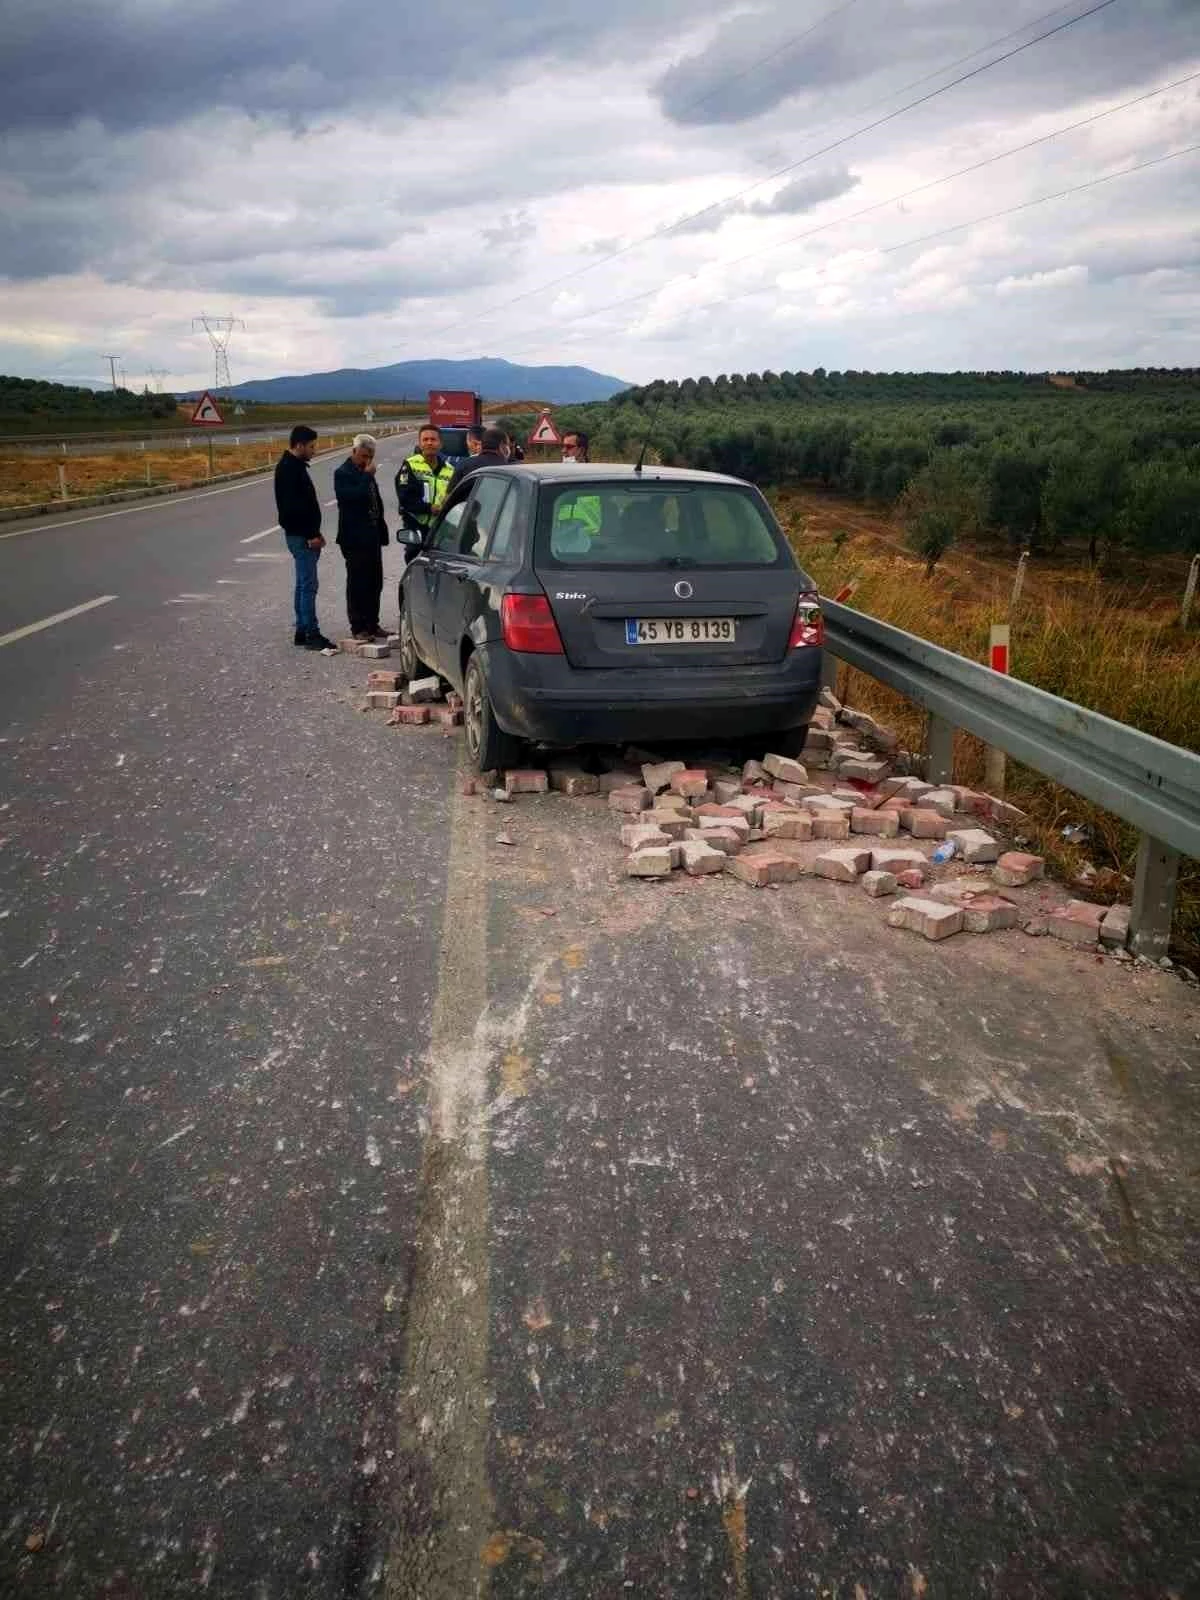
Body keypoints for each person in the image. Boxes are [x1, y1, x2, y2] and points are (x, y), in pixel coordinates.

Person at [274, 425, 334, 650]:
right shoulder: (289, 470)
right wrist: (311, 535)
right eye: (311, 446)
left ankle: (302, 629)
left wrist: (316, 532)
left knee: (302, 584)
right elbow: (293, 509)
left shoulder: (294, 466)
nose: (314, 450)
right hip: (301, 537)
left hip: (303, 535)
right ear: (299, 445)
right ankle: (311, 633)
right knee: (308, 585)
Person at [334, 434, 389, 641]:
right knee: (358, 582)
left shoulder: (366, 471)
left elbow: (374, 500)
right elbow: (351, 498)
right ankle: (358, 627)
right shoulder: (343, 473)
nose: (367, 460)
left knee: (375, 581)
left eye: (371, 456)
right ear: (354, 451)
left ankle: (372, 623)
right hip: (354, 537)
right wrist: (367, 476)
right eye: (364, 455)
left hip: (372, 535)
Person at [396, 424, 456, 545]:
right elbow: (405, 498)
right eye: (425, 439)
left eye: (433, 439)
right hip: (416, 528)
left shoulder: (450, 470)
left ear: (440, 444)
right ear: (420, 443)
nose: (429, 443)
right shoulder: (410, 465)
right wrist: (429, 508)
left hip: (441, 529)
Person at [447, 425, 511, 495]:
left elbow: (449, 497)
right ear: (501, 445)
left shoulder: (464, 465)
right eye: (508, 445)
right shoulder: (510, 469)